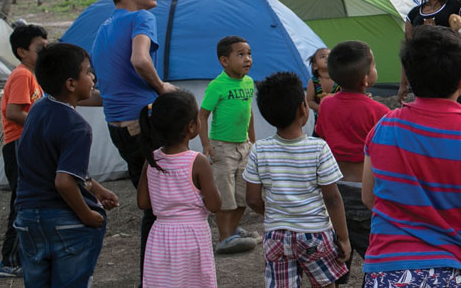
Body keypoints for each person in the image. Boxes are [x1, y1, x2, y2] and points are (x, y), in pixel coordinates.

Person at [361, 26, 461, 287]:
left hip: (383, 271)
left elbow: (369, 196)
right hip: (447, 270)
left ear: (411, 78)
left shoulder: (383, 128)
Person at [91, 0, 176, 274]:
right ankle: (156, 277)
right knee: (161, 208)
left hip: (119, 127)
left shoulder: (104, 27)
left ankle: (154, 275)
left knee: (152, 205)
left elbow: (108, 87)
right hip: (142, 124)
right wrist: (162, 89)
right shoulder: (141, 18)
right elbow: (141, 61)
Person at [14, 44, 119, 288]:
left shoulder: (38, 109)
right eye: (88, 72)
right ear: (71, 84)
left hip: (27, 218)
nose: (93, 77)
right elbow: (63, 181)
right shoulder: (77, 126)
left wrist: (96, 188)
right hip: (66, 222)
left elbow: (50, 164)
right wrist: (88, 216)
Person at [245, 72, 350, 288]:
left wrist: (278, 211)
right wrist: (343, 237)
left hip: (276, 237)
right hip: (315, 234)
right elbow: (332, 198)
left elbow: (253, 200)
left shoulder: (259, 150)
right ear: (303, 109)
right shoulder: (319, 148)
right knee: (325, 284)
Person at [313, 41, 389, 284]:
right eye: (374, 65)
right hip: (366, 194)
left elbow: (322, 138)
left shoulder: (326, 104)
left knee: (337, 255)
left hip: (334, 191)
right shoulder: (380, 112)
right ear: (365, 79)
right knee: (376, 256)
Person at [137, 91, 221, 288]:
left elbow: (143, 203)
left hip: (160, 235)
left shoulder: (151, 161)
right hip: (192, 236)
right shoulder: (197, 161)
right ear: (191, 127)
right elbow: (215, 205)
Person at [0, 23, 48, 278]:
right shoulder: (22, 75)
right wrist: (43, 125)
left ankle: (24, 255)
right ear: (22, 51)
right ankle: (9, 260)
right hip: (17, 144)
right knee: (22, 201)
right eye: (40, 48)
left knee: (30, 199)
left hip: (25, 144)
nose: (45, 53)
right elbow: (14, 112)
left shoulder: (33, 75)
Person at [199, 35, 259, 253]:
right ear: (224, 61)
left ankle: (232, 231)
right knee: (225, 195)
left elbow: (248, 112)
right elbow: (202, 116)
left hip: (244, 146)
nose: (247, 59)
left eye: (249, 54)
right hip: (221, 147)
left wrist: (253, 142)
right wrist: (206, 144)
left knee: (244, 193)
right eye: (241, 54)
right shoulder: (217, 85)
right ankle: (224, 238)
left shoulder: (249, 82)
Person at [306, 47, 336, 114]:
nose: (327, 58)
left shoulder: (339, 79)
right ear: (315, 66)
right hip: (321, 118)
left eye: (330, 56)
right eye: (322, 56)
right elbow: (309, 101)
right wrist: (320, 108)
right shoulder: (313, 82)